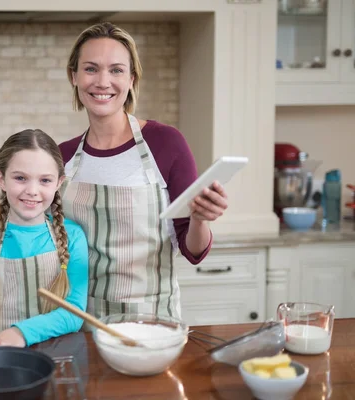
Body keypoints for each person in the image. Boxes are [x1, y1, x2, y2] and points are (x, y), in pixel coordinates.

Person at [59, 22, 228, 320]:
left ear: (132, 79)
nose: (102, 81)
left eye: (116, 70)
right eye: (90, 69)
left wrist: (200, 219)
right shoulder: (63, 156)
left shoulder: (166, 143)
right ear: (74, 76)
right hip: (79, 321)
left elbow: (193, 251)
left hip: (153, 323)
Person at [0, 129, 89, 349]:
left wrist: (20, 333)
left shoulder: (73, 236)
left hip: (56, 357)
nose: (32, 190)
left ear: (59, 183)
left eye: (45, 180)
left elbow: (74, 313)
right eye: (20, 178)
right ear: (1, 179)